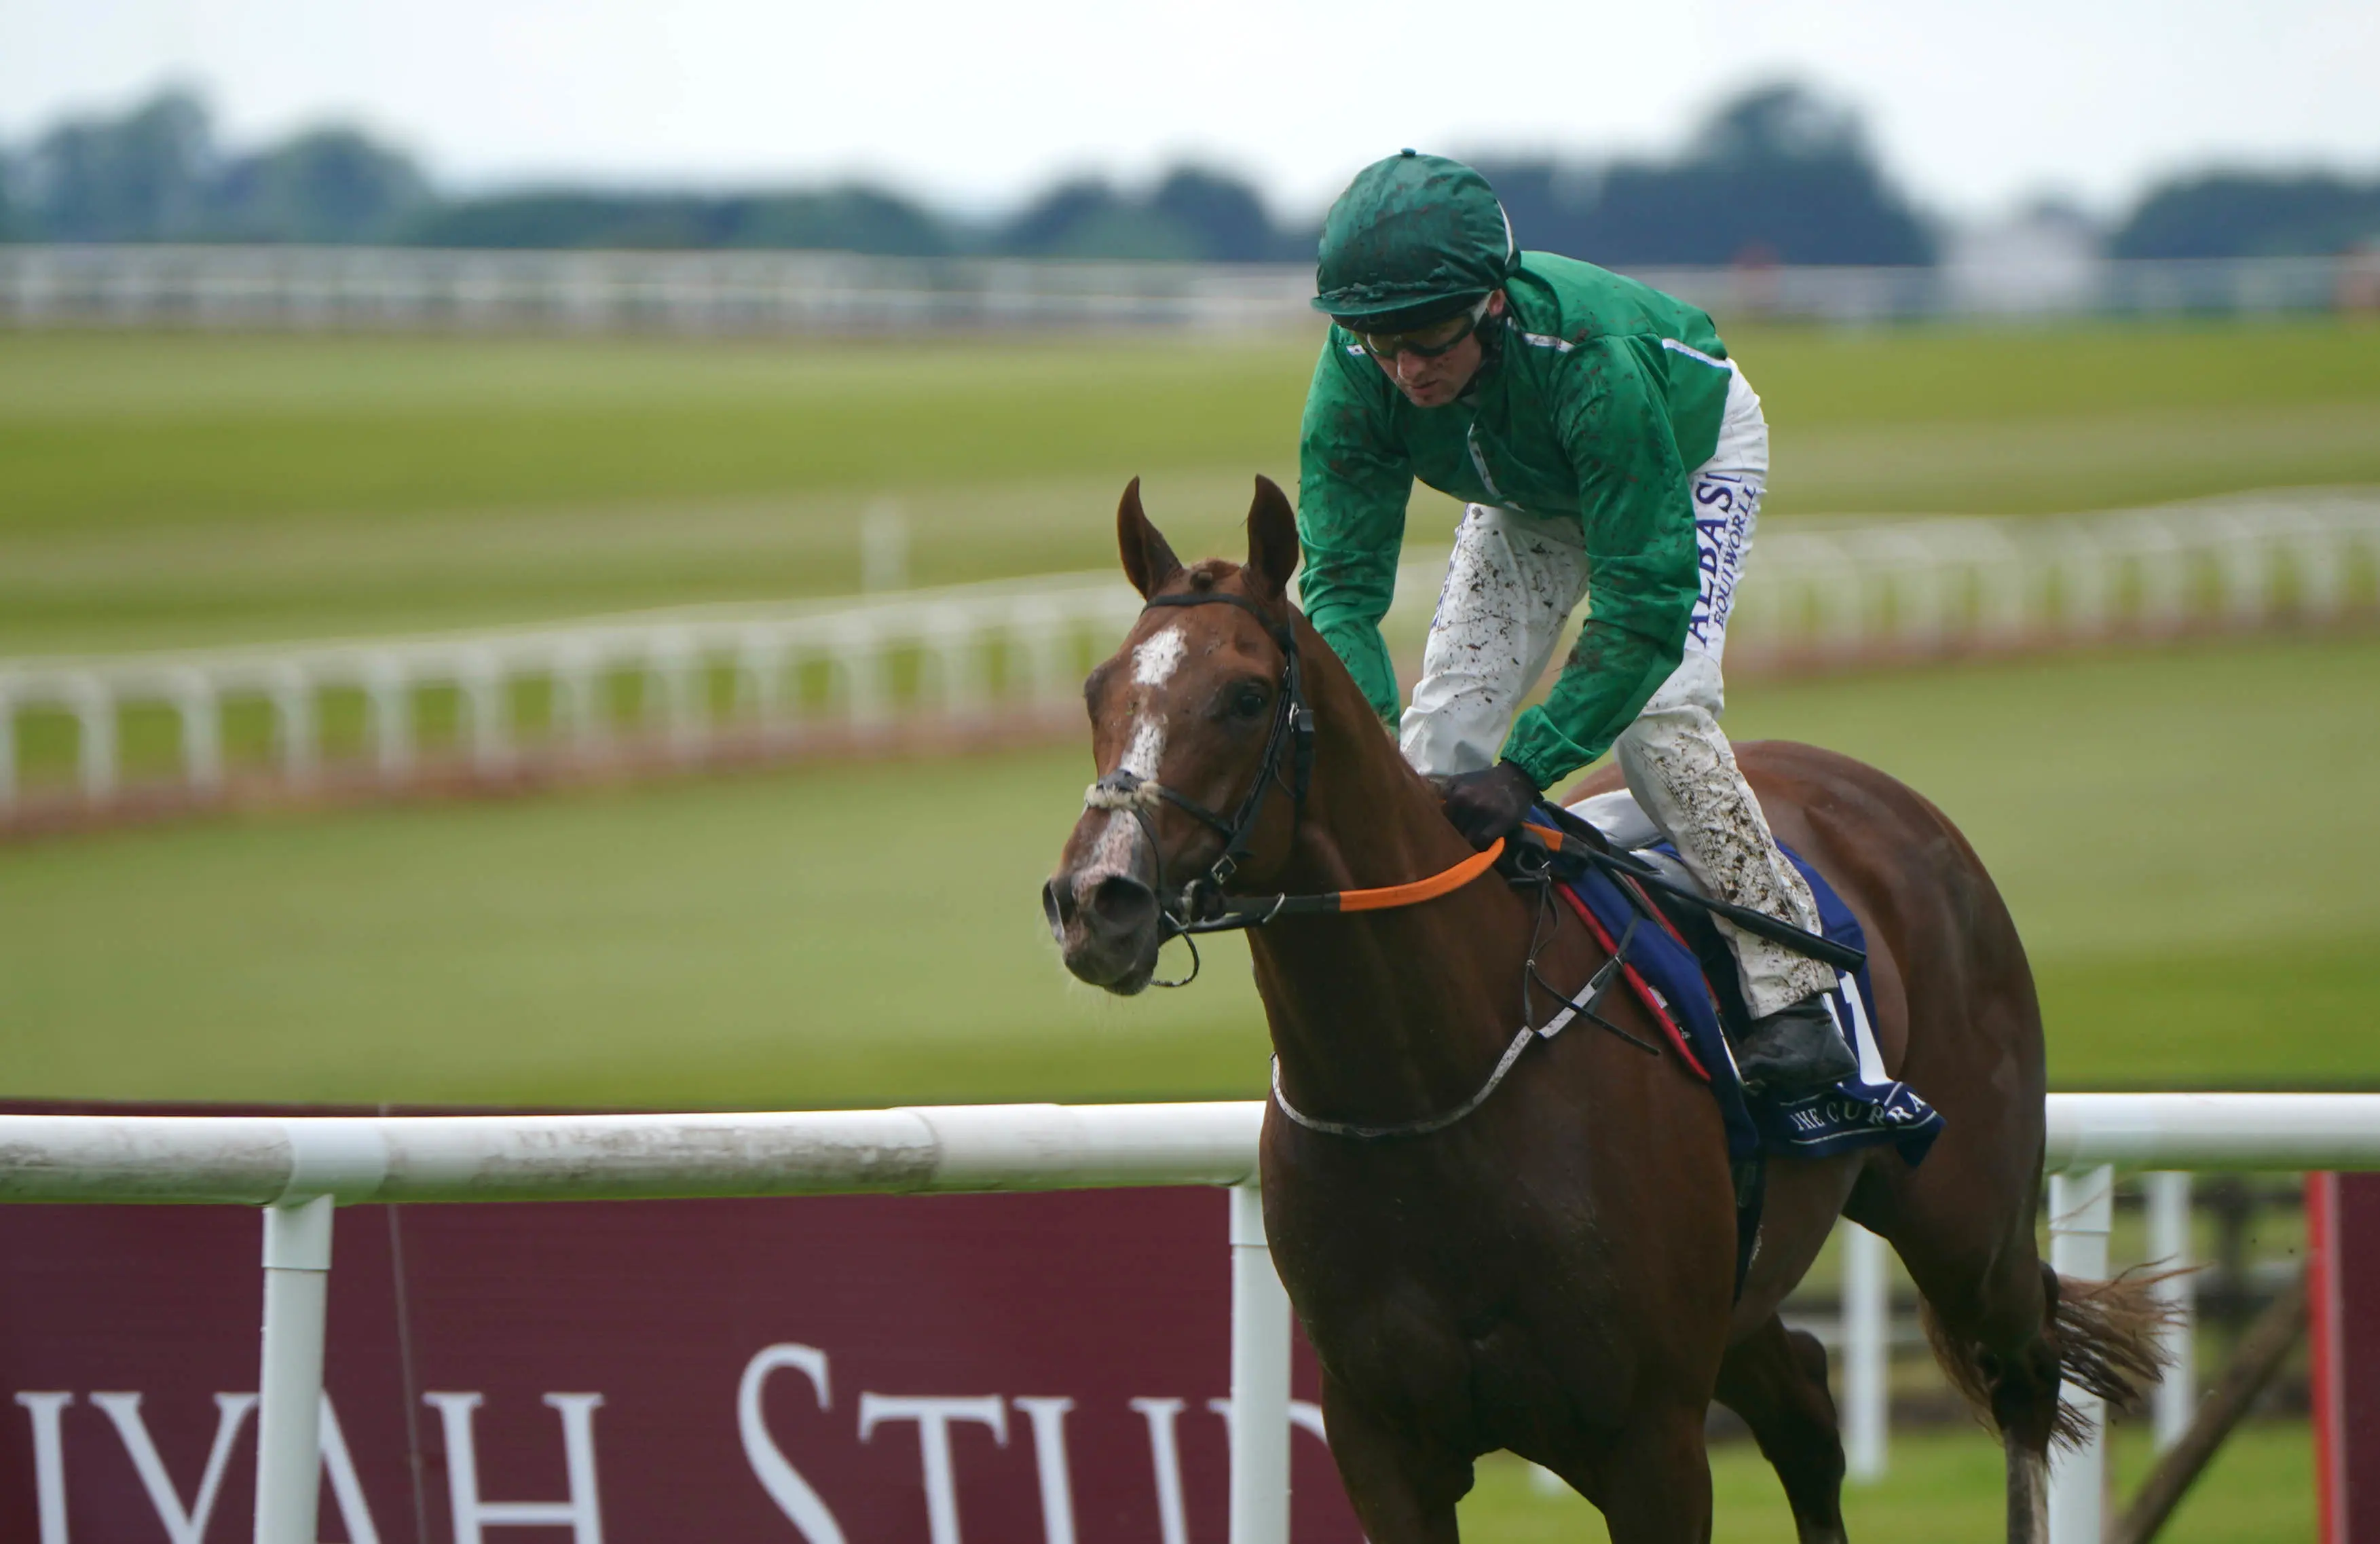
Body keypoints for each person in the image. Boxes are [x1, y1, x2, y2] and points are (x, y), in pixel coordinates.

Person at [1295, 149, 1855, 1097]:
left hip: (1682, 459)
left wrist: (1526, 771)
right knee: (1440, 731)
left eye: (1428, 342)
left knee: (1660, 719)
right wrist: (1370, 739)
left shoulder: (1593, 362)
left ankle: (1793, 993)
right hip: (1528, 488)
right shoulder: (1360, 366)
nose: (1405, 371)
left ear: (1492, 304)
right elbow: (1341, 587)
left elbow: (1641, 609)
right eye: (1380, 344)